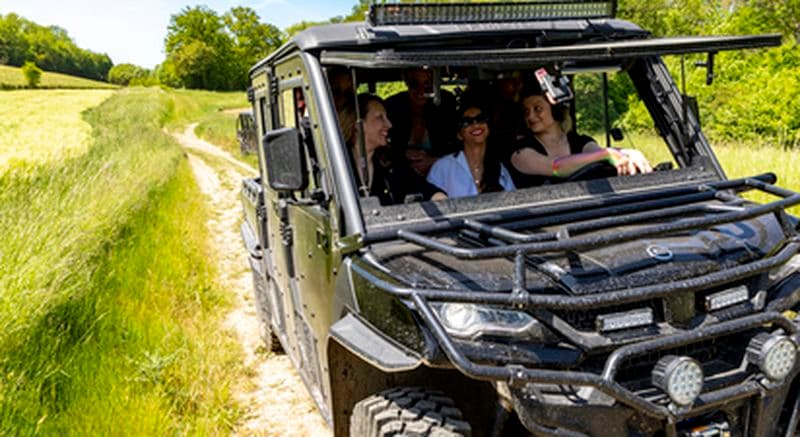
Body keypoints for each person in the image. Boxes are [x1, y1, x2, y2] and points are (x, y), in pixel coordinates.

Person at [509, 83, 652, 188]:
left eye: (537, 109)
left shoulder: (580, 141)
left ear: (557, 110)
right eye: (526, 111)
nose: (531, 116)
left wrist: (630, 153)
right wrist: (609, 153)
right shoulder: (520, 151)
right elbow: (557, 167)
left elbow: (596, 153)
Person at [348, 94, 447, 205]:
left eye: (387, 118)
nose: (389, 124)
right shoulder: (337, 161)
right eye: (380, 117)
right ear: (358, 124)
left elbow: (423, 188)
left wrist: (439, 198)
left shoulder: (391, 163)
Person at [427, 104, 515, 199]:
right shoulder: (443, 166)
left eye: (481, 119)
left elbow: (514, 202)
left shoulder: (499, 167)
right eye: (467, 122)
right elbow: (430, 204)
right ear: (459, 134)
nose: (476, 125)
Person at [385, 68, 458, 176]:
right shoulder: (393, 106)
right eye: (414, 84)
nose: (421, 90)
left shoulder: (445, 103)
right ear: (405, 81)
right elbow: (380, 148)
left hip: (441, 175)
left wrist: (435, 161)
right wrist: (402, 155)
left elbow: (458, 147)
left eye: (428, 85)